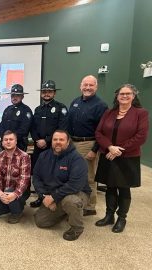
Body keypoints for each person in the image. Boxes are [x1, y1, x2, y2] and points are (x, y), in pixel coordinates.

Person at [94, 84, 149, 233]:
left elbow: (141, 136)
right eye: (121, 94)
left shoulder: (140, 113)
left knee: (124, 188)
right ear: (117, 96)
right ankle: (109, 215)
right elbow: (99, 133)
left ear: (134, 96)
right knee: (110, 186)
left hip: (128, 157)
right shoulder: (109, 113)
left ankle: (121, 218)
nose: (124, 96)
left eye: (128, 94)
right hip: (109, 154)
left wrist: (119, 150)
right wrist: (110, 147)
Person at [33, 130, 91, 241]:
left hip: (76, 193)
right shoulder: (43, 156)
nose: (58, 142)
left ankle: (76, 227)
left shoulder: (77, 159)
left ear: (68, 142)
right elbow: (36, 178)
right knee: (41, 221)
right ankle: (64, 211)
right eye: (55, 139)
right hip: (53, 194)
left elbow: (75, 185)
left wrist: (54, 197)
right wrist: (44, 197)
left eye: (61, 139)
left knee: (70, 202)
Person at [67, 75, 108, 216]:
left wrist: (94, 149)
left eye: (91, 85)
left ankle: (90, 206)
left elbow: (103, 131)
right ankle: (76, 201)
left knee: (88, 176)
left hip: (88, 143)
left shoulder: (101, 105)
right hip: (72, 143)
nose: (88, 88)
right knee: (74, 174)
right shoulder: (75, 102)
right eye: (85, 85)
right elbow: (69, 123)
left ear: (96, 87)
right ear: (80, 86)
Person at [30, 80, 68, 208]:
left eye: (49, 91)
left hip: (54, 147)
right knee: (38, 172)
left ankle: (53, 198)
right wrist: (37, 140)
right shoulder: (38, 109)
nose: (46, 94)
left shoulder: (60, 108)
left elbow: (62, 128)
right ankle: (41, 197)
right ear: (41, 94)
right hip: (38, 147)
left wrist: (46, 141)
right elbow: (33, 128)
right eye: (44, 92)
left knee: (52, 173)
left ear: (54, 93)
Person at [0, 130, 31, 223]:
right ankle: (12, 204)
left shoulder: (24, 156)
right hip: (3, 191)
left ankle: (17, 212)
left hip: (20, 192)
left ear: (16, 141)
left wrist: (15, 194)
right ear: (2, 142)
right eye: (5, 139)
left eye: (11, 139)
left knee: (9, 191)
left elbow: (24, 179)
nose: (8, 141)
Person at [0, 84, 33, 152]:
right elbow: (2, 126)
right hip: (6, 145)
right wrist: (4, 138)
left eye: (17, 95)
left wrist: (11, 139)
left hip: (19, 145)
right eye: (13, 95)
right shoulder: (7, 109)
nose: (14, 97)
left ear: (22, 96)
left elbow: (24, 129)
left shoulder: (26, 110)